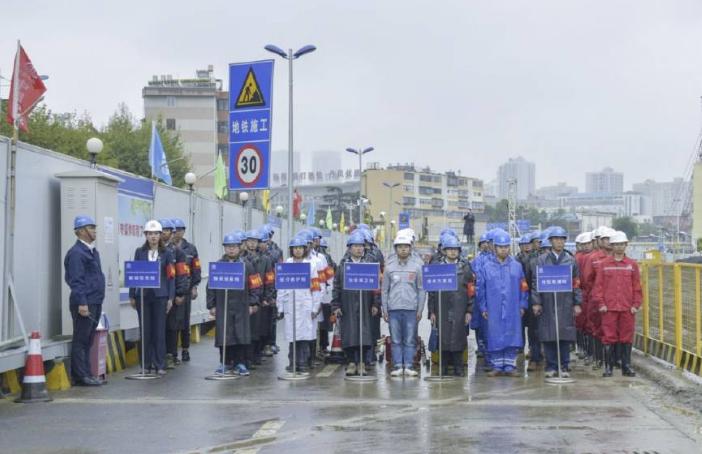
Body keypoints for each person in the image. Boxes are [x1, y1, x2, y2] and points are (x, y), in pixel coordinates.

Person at [206, 232, 262, 376]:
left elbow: (256, 286)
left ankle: (240, 363)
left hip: (241, 306)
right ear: (224, 248)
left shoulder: (247, 265)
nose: (231, 249)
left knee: (240, 335)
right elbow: (210, 287)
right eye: (228, 247)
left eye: (234, 247)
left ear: (240, 248)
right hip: (223, 305)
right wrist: (211, 305)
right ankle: (224, 363)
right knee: (224, 335)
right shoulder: (218, 265)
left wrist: (253, 303)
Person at [531, 227, 582, 379]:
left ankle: (564, 365)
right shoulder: (541, 260)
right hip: (547, 303)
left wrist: (577, 303)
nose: (559, 242)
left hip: (565, 302)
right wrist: (536, 302)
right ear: (551, 241)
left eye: (562, 239)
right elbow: (535, 283)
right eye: (556, 239)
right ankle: (551, 366)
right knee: (549, 335)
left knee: (564, 335)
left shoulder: (570, 260)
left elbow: (576, 283)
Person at [477, 231, 528, 377]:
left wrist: (523, 304)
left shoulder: (517, 266)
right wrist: (483, 307)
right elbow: (481, 288)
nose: (503, 249)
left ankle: (510, 366)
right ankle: (497, 365)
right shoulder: (486, 267)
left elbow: (523, 286)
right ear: (494, 247)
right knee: (495, 335)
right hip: (494, 307)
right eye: (500, 247)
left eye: (506, 246)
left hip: (513, 306)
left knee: (512, 335)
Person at [591, 231, 642, 377]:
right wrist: (601, 303)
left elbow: (637, 287)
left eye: (622, 244)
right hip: (609, 308)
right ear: (612, 246)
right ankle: (609, 367)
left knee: (626, 336)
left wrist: (635, 305)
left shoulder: (632, 265)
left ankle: (626, 366)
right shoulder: (604, 265)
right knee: (609, 337)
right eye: (616, 244)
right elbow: (598, 286)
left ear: (626, 245)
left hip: (627, 308)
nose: (619, 247)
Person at [128, 220, 176, 375]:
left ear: (160, 235)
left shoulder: (167, 254)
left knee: (159, 331)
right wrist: (132, 295)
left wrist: (170, 297)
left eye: (156, 233)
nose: (153, 237)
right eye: (150, 234)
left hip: (160, 296)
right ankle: (145, 364)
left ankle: (160, 364)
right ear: (146, 235)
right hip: (143, 295)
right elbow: (133, 273)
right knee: (145, 330)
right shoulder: (139, 252)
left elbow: (171, 276)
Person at [63, 215, 106, 386]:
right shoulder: (76, 253)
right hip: (84, 302)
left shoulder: (92, 251)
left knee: (88, 339)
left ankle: (87, 373)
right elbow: (76, 280)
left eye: (94, 227)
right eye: (91, 227)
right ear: (80, 231)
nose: (94, 230)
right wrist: (82, 302)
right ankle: (81, 376)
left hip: (94, 300)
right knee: (81, 339)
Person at [332, 231, 380, 376]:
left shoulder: (369, 265)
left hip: (365, 305)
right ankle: (351, 362)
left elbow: (376, 287)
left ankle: (362, 363)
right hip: (347, 305)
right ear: (349, 248)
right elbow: (336, 286)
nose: (359, 249)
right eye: (356, 246)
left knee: (365, 335)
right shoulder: (343, 266)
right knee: (350, 334)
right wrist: (336, 306)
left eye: (361, 246)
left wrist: (375, 304)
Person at [428, 235, 475, 376]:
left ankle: (458, 366)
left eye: (455, 249)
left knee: (459, 337)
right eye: (450, 249)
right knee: (443, 337)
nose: (453, 252)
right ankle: (443, 366)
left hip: (460, 307)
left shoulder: (465, 266)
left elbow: (471, 290)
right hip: (441, 306)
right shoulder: (437, 267)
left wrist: (469, 310)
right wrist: (432, 311)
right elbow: (431, 291)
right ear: (444, 251)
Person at [382, 232, 425, 377]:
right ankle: (398, 365)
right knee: (395, 339)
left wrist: (420, 309)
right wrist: (385, 309)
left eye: (406, 246)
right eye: (400, 247)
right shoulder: (389, 267)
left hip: (411, 309)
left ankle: (409, 365)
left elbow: (421, 289)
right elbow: (384, 290)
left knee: (409, 339)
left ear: (410, 248)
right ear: (396, 249)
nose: (403, 249)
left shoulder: (417, 267)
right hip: (393, 308)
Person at [277, 236, 322, 373]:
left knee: (304, 335)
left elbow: (316, 287)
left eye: (300, 248)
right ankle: (292, 362)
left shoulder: (311, 266)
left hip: (305, 304)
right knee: (292, 336)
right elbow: (281, 287)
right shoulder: (286, 265)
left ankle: (303, 362)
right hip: (290, 304)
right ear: (291, 250)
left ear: (305, 249)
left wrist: (315, 306)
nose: (297, 251)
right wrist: (280, 306)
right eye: (295, 248)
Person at [159, 219, 191, 369]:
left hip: (172, 295)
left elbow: (182, 275)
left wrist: (180, 293)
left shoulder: (178, 253)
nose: (165, 234)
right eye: (162, 230)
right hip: (156, 295)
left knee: (172, 326)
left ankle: (171, 355)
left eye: (168, 231)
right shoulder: (151, 250)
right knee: (158, 326)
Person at [241, 229, 275, 368]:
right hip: (243, 298)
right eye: (250, 241)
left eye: (255, 241)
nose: (252, 244)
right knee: (244, 329)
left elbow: (270, 279)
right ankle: (245, 358)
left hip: (259, 298)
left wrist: (268, 296)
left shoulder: (266, 259)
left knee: (258, 329)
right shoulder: (241, 259)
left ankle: (256, 355)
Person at [171, 218, 201, 363]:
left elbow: (196, 268)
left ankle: (185, 349)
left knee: (184, 321)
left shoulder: (191, 249)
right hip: (172, 290)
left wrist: (194, 286)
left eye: (180, 230)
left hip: (186, 289)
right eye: (175, 231)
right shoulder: (167, 248)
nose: (177, 233)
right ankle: (172, 352)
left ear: (184, 232)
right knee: (173, 322)